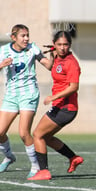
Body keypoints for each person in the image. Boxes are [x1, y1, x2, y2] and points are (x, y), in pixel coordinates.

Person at [0, 24, 53, 178]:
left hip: (29, 94)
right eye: (22, 36)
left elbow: (49, 66)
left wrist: (53, 54)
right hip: (11, 95)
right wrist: (1, 65)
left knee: (24, 133)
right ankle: (10, 157)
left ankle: (36, 166)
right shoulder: (5, 49)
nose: (26, 39)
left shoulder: (33, 49)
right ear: (14, 37)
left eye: (27, 35)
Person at [28, 31, 83, 180]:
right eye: (59, 45)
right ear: (54, 45)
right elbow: (52, 67)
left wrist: (54, 96)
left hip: (66, 107)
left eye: (66, 44)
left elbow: (73, 87)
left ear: (70, 45)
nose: (63, 48)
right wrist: (50, 53)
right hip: (60, 106)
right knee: (47, 137)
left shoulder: (71, 63)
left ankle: (43, 171)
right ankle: (73, 158)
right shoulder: (58, 57)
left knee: (37, 135)